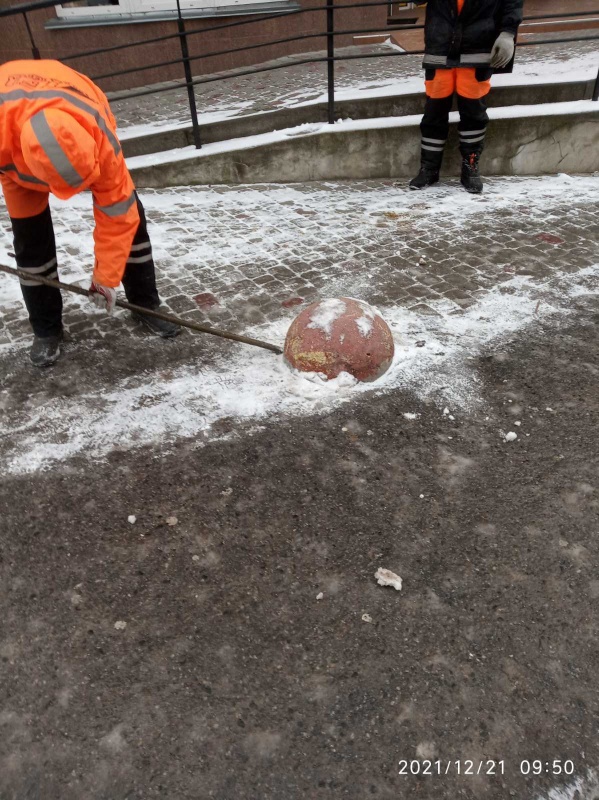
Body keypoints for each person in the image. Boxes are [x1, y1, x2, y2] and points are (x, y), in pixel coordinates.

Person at [0, 59, 180, 367]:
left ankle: (145, 304)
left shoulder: (99, 133)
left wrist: (105, 278)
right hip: (14, 165)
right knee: (31, 245)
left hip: (72, 113)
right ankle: (46, 330)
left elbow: (117, 212)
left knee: (132, 221)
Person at [409, 0, 524, 194]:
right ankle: (429, 168)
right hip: (440, 48)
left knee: (473, 113)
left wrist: (508, 33)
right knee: (433, 113)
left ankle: (470, 167)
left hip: (477, 49)